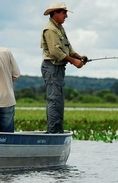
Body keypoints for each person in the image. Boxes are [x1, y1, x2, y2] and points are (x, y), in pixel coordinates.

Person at [41, 2, 88, 133]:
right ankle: (53, 132)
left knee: (59, 101)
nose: (66, 16)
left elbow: (68, 47)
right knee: (54, 100)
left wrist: (78, 57)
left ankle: (57, 131)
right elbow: (55, 53)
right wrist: (74, 61)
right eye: (64, 13)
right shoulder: (50, 29)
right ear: (55, 13)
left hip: (59, 69)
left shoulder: (59, 28)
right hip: (51, 67)